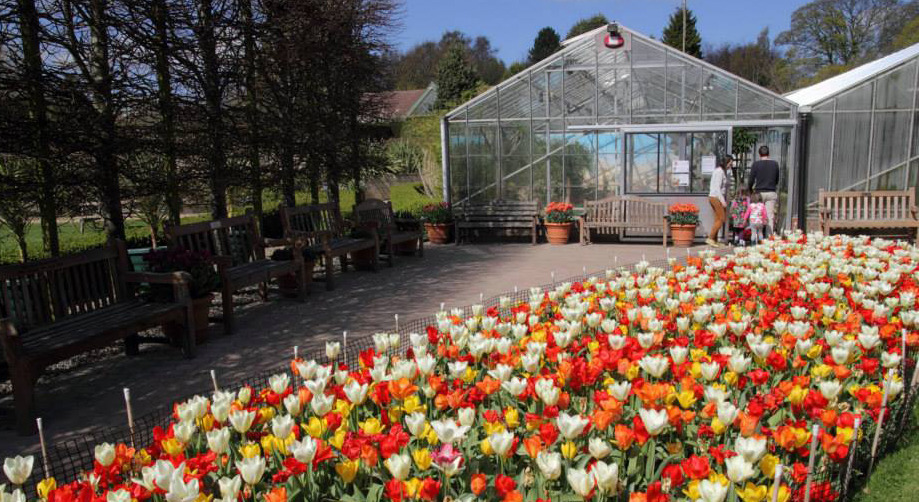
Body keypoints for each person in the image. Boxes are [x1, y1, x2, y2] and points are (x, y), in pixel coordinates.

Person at [747, 145, 779, 236]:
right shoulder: (775, 164)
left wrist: (750, 190)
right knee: (769, 216)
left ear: (759, 154)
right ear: (768, 153)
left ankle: (756, 236)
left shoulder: (756, 164)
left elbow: (751, 180)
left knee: (757, 214)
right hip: (771, 192)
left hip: (759, 193)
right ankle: (769, 238)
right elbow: (777, 179)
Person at [706, 155, 733, 247]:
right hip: (716, 197)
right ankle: (710, 238)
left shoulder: (720, 171)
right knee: (721, 218)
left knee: (717, 219)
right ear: (726, 162)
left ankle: (714, 240)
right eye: (730, 163)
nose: (731, 165)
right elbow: (717, 188)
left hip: (715, 197)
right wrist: (723, 201)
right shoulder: (719, 172)